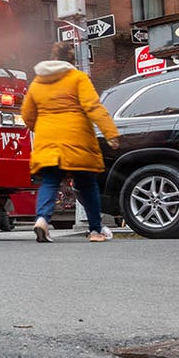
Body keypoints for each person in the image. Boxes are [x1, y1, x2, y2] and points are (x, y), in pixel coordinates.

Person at [21, 43, 120, 243]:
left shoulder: (37, 83)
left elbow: (27, 114)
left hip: (47, 139)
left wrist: (37, 128)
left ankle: (42, 220)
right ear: (72, 61)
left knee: (50, 182)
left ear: (53, 58)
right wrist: (110, 133)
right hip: (77, 138)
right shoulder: (78, 78)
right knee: (87, 185)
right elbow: (93, 106)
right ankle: (95, 230)